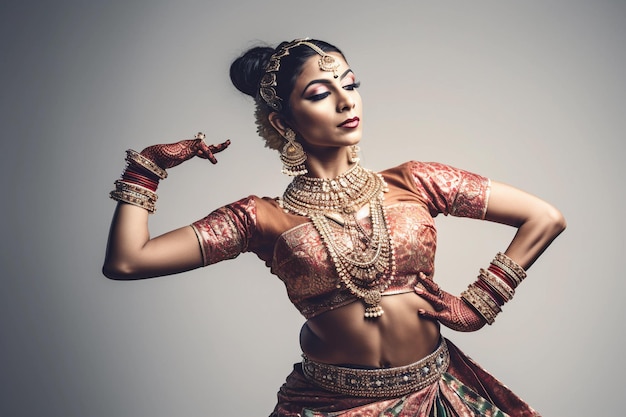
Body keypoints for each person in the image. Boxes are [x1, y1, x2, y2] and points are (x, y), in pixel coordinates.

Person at [103, 38, 566, 417]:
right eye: (321, 93)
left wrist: (479, 304)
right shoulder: (259, 218)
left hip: (436, 394)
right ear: (283, 122)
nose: (346, 100)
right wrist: (146, 169)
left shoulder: (417, 181)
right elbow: (128, 261)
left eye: (350, 83)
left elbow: (544, 218)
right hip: (329, 405)